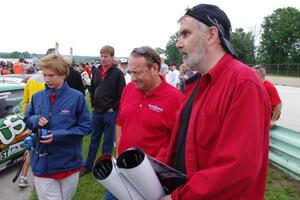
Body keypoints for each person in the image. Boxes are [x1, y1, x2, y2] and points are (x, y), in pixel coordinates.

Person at [159, 4, 271, 200]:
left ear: (211, 35)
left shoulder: (243, 83)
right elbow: (182, 144)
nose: (178, 43)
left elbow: (239, 167)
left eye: (185, 34)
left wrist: (180, 197)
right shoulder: (197, 85)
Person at [24, 53, 91, 200]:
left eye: (51, 75)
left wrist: (58, 135)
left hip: (69, 162)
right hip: (43, 162)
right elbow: (27, 119)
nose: (47, 79)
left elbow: (86, 127)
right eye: (45, 75)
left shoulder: (77, 98)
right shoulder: (37, 97)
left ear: (63, 74)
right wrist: (35, 120)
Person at [81, 45, 126, 176]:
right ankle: (88, 166)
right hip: (97, 112)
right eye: (101, 56)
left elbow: (122, 94)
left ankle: (105, 168)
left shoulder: (117, 73)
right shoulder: (96, 71)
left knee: (107, 142)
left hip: (110, 113)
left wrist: (114, 107)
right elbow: (93, 88)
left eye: (106, 56)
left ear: (112, 57)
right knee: (94, 140)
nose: (103, 59)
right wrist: (93, 103)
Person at [18, 71, 45, 188]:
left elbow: (25, 100)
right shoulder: (53, 80)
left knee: (31, 148)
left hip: (32, 119)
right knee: (44, 147)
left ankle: (23, 177)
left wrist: (27, 118)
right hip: (45, 119)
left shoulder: (31, 80)